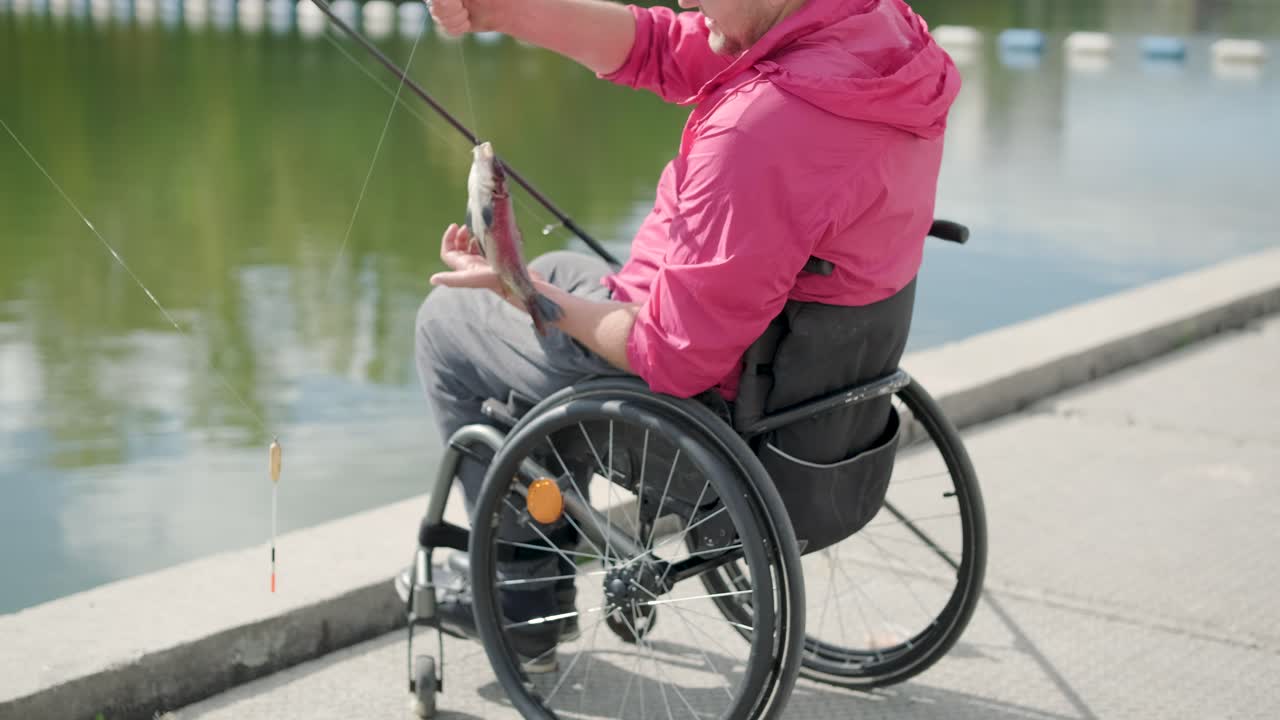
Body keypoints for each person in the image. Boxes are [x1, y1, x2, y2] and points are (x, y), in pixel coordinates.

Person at [406, 0, 961, 671]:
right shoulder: (878, 32)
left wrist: (521, 290)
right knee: (563, 275)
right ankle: (529, 572)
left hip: (713, 427)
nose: (685, 2)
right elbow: (665, 50)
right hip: (819, 414)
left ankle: (519, 595)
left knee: (448, 324)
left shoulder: (762, 127)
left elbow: (669, 355)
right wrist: (506, 11)